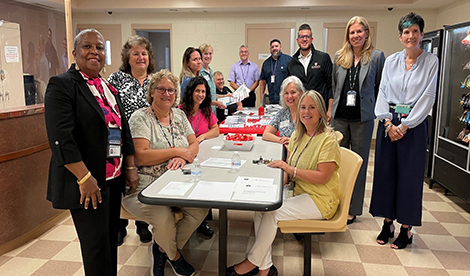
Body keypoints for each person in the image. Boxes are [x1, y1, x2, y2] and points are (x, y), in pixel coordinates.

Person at [44, 29, 139, 276]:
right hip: (86, 183)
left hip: (112, 179)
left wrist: (128, 168)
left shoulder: (107, 88)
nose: (94, 52)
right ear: (75, 53)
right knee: (95, 248)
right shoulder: (62, 85)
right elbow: (62, 138)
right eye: (87, 47)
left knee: (110, 240)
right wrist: (85, 179)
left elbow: (122, 130)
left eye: (99, 47)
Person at [227, 90, 341, 276]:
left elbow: (322, 177)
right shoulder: (298, 134)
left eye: (312, 107)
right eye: (303, 107)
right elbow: (289, 170)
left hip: (320, 200)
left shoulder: (328, 139)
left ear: (321, 111)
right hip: (298, 191)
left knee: (272, 212)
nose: (306, 111)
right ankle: (265, 268)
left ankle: (252, 262)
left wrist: (289, 170)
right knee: (261, 205)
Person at [123, 69, 208, 276]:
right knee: (164, 219)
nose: (167, 94)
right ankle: (175, 257)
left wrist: (183, 156)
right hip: (144, 187)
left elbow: (194, 143)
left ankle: (161, 248)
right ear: (152, 91)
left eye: (171, 90)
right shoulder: (140, 118)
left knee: (200, 210)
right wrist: (177, 151)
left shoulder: (178, 115)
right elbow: (141, 156)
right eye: (161, 89)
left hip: (176, 184)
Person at [369, 12, 439, 250]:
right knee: (386, 174)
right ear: (400, 36)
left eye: (415, 31)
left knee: (409, 178)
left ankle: (406, 228)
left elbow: (428, 97)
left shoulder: (430, 61)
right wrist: (388, 123)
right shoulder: (391, 61)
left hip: (414, 125)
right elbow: (383, 92)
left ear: (421, 34)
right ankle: (387, 223)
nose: (411, 36)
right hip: (389, 122)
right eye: (406, 32)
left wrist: (406, 125)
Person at [330, 16, 385, 225]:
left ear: (366, 33)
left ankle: (352, 209)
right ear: (348, 35)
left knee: (358, 164)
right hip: (340, 118)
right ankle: (336, 202)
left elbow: (380, 87)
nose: (355, 36)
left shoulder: (377, 57)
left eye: (359, 32)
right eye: (352, 32)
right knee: (338, 163)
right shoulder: (339, 56)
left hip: (363, 119)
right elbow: (336, 86)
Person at [108, 35, 155, 245]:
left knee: (143, 182)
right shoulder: (116, 79)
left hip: (147, 141)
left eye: (143, 53)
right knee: (121, 183)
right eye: (135, 53)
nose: (140, 57)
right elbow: (108, 110)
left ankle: (142, 225)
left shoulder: (155, 81)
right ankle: (119, 226)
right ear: (128, 57)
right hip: (121, 141)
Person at [179, 76, 219, 239]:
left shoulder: (206, 109)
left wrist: (202, 137)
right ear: (191, 92)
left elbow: (216, 130)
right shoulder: (181, 110)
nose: (201, 94)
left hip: (203, 153)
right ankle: (189, 218)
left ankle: (202, 221)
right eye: (198, 91)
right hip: (185, 152)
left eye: (203, 91)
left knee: (205, 182)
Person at [287, 24, 333, 121]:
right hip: (302, 112)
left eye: (307, 36)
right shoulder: (292, 63)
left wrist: (330, 109)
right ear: (297, 40)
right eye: (301, 37)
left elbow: (331, 85)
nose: (304, 39)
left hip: (321, 109)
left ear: (311, 39)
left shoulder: (323, 58)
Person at [262, 76, 305, 147]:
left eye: (293, 92)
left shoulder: (307, 113)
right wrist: (282, 140)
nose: (290, 96)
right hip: (284, 153)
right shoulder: (282, 113)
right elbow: (266, 134)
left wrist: (291, 141)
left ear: (301, 93)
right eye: (286, 93)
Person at [259, 39, 292, 105]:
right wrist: (262, 96)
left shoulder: (288, 60)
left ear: (280, 47)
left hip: (286, 98)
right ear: (270, 49)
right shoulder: (266, 63)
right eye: (272, 47)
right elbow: (263, 81)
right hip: (272, 99)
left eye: (276, 46)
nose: (274, 48)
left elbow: (293, 79)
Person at [228, 45, 260, 109]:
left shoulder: (254, 66)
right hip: (238, 95)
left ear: (248, 54)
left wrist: (247, 91)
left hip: (250, 95)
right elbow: (231, 82)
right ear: (239, 54)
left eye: (245, 52)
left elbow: (257, 81)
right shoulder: (234, 66)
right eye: (242, 52)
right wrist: (241, 91)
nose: (243, 53)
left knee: (251, 114)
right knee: (239, 114)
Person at [199, 43, 226, 114]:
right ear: (200, 55)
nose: (208, 56)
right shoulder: (199, 72)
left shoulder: (210, 71)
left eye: (210, 53)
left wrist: (226, 96)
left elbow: (212, 94)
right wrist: (216, 103)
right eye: (205, 54)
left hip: (212, 112)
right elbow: (200, 98)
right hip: (203, 112)